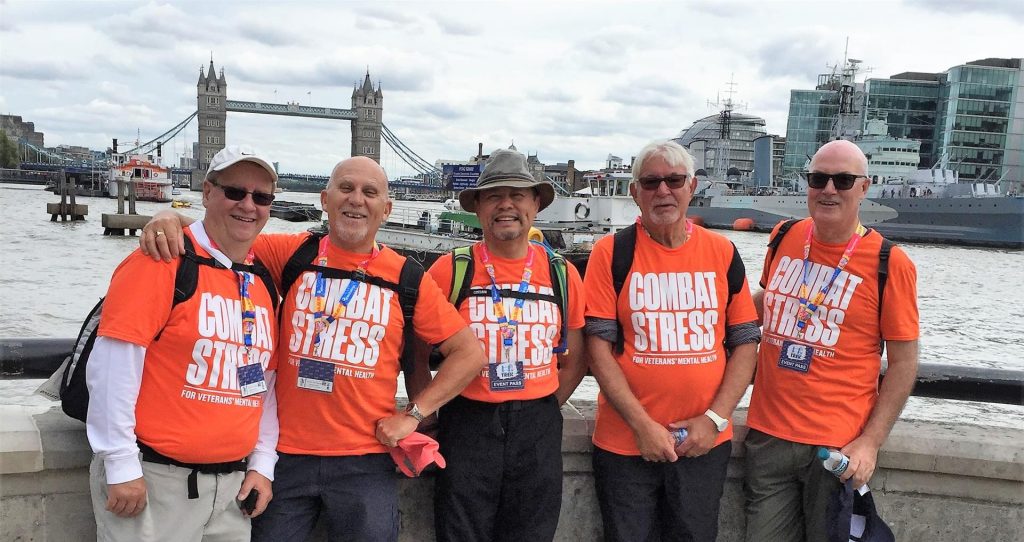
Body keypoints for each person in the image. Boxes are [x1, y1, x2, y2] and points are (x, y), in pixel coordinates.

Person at [140, 156, 487, 542]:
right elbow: (221, 234)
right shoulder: (292, 254)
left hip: (365, 460)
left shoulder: (406, 277)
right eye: (346, 188)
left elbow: (469, 354)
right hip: (283, 458)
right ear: (325, 199)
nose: (356, 199)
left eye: (370, 192)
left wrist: (414, 414)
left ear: (386, 209)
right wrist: (168, 219)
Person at [87, 145, 281, 541]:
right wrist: (121, 463)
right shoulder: (161, 260)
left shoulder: (261, 280)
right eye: (235, 192)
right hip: (155, 481)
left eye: (261, 197)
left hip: (231, 491)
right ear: (207, 192)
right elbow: (113, 364)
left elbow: (264, 382)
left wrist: (262, 463)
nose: (248, 205)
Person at [583, 140, 761, 541]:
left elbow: (745, 344)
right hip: (625, 443)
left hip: (703, 443)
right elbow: (598, 348)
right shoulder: (611, 253)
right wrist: (642, 425)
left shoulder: (722, 252)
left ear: (691, 187)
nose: (663, 190)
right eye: (651, 182)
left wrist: (714, 420)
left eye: (674, 180)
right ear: (635, 192)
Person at [744, 139, 919, 541]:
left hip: (836, 446)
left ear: (864, 187)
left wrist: (870, 443)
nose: (828, 189)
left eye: (842, 180)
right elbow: (767, 302)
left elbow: (905, 362)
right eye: (818, 178)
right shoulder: (784, 234)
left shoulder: (890, 263)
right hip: (768, 435)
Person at [418, 149, 587, 542]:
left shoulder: (562, 274)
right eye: (494, 196)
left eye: (517, 195)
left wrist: (540, 405)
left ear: (535, 204)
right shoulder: (451, 269)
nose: (506, 205)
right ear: (478, 209)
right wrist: (421, 409)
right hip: (467, 421)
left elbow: (576, 358)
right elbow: (416, 349)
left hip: (538, 427)